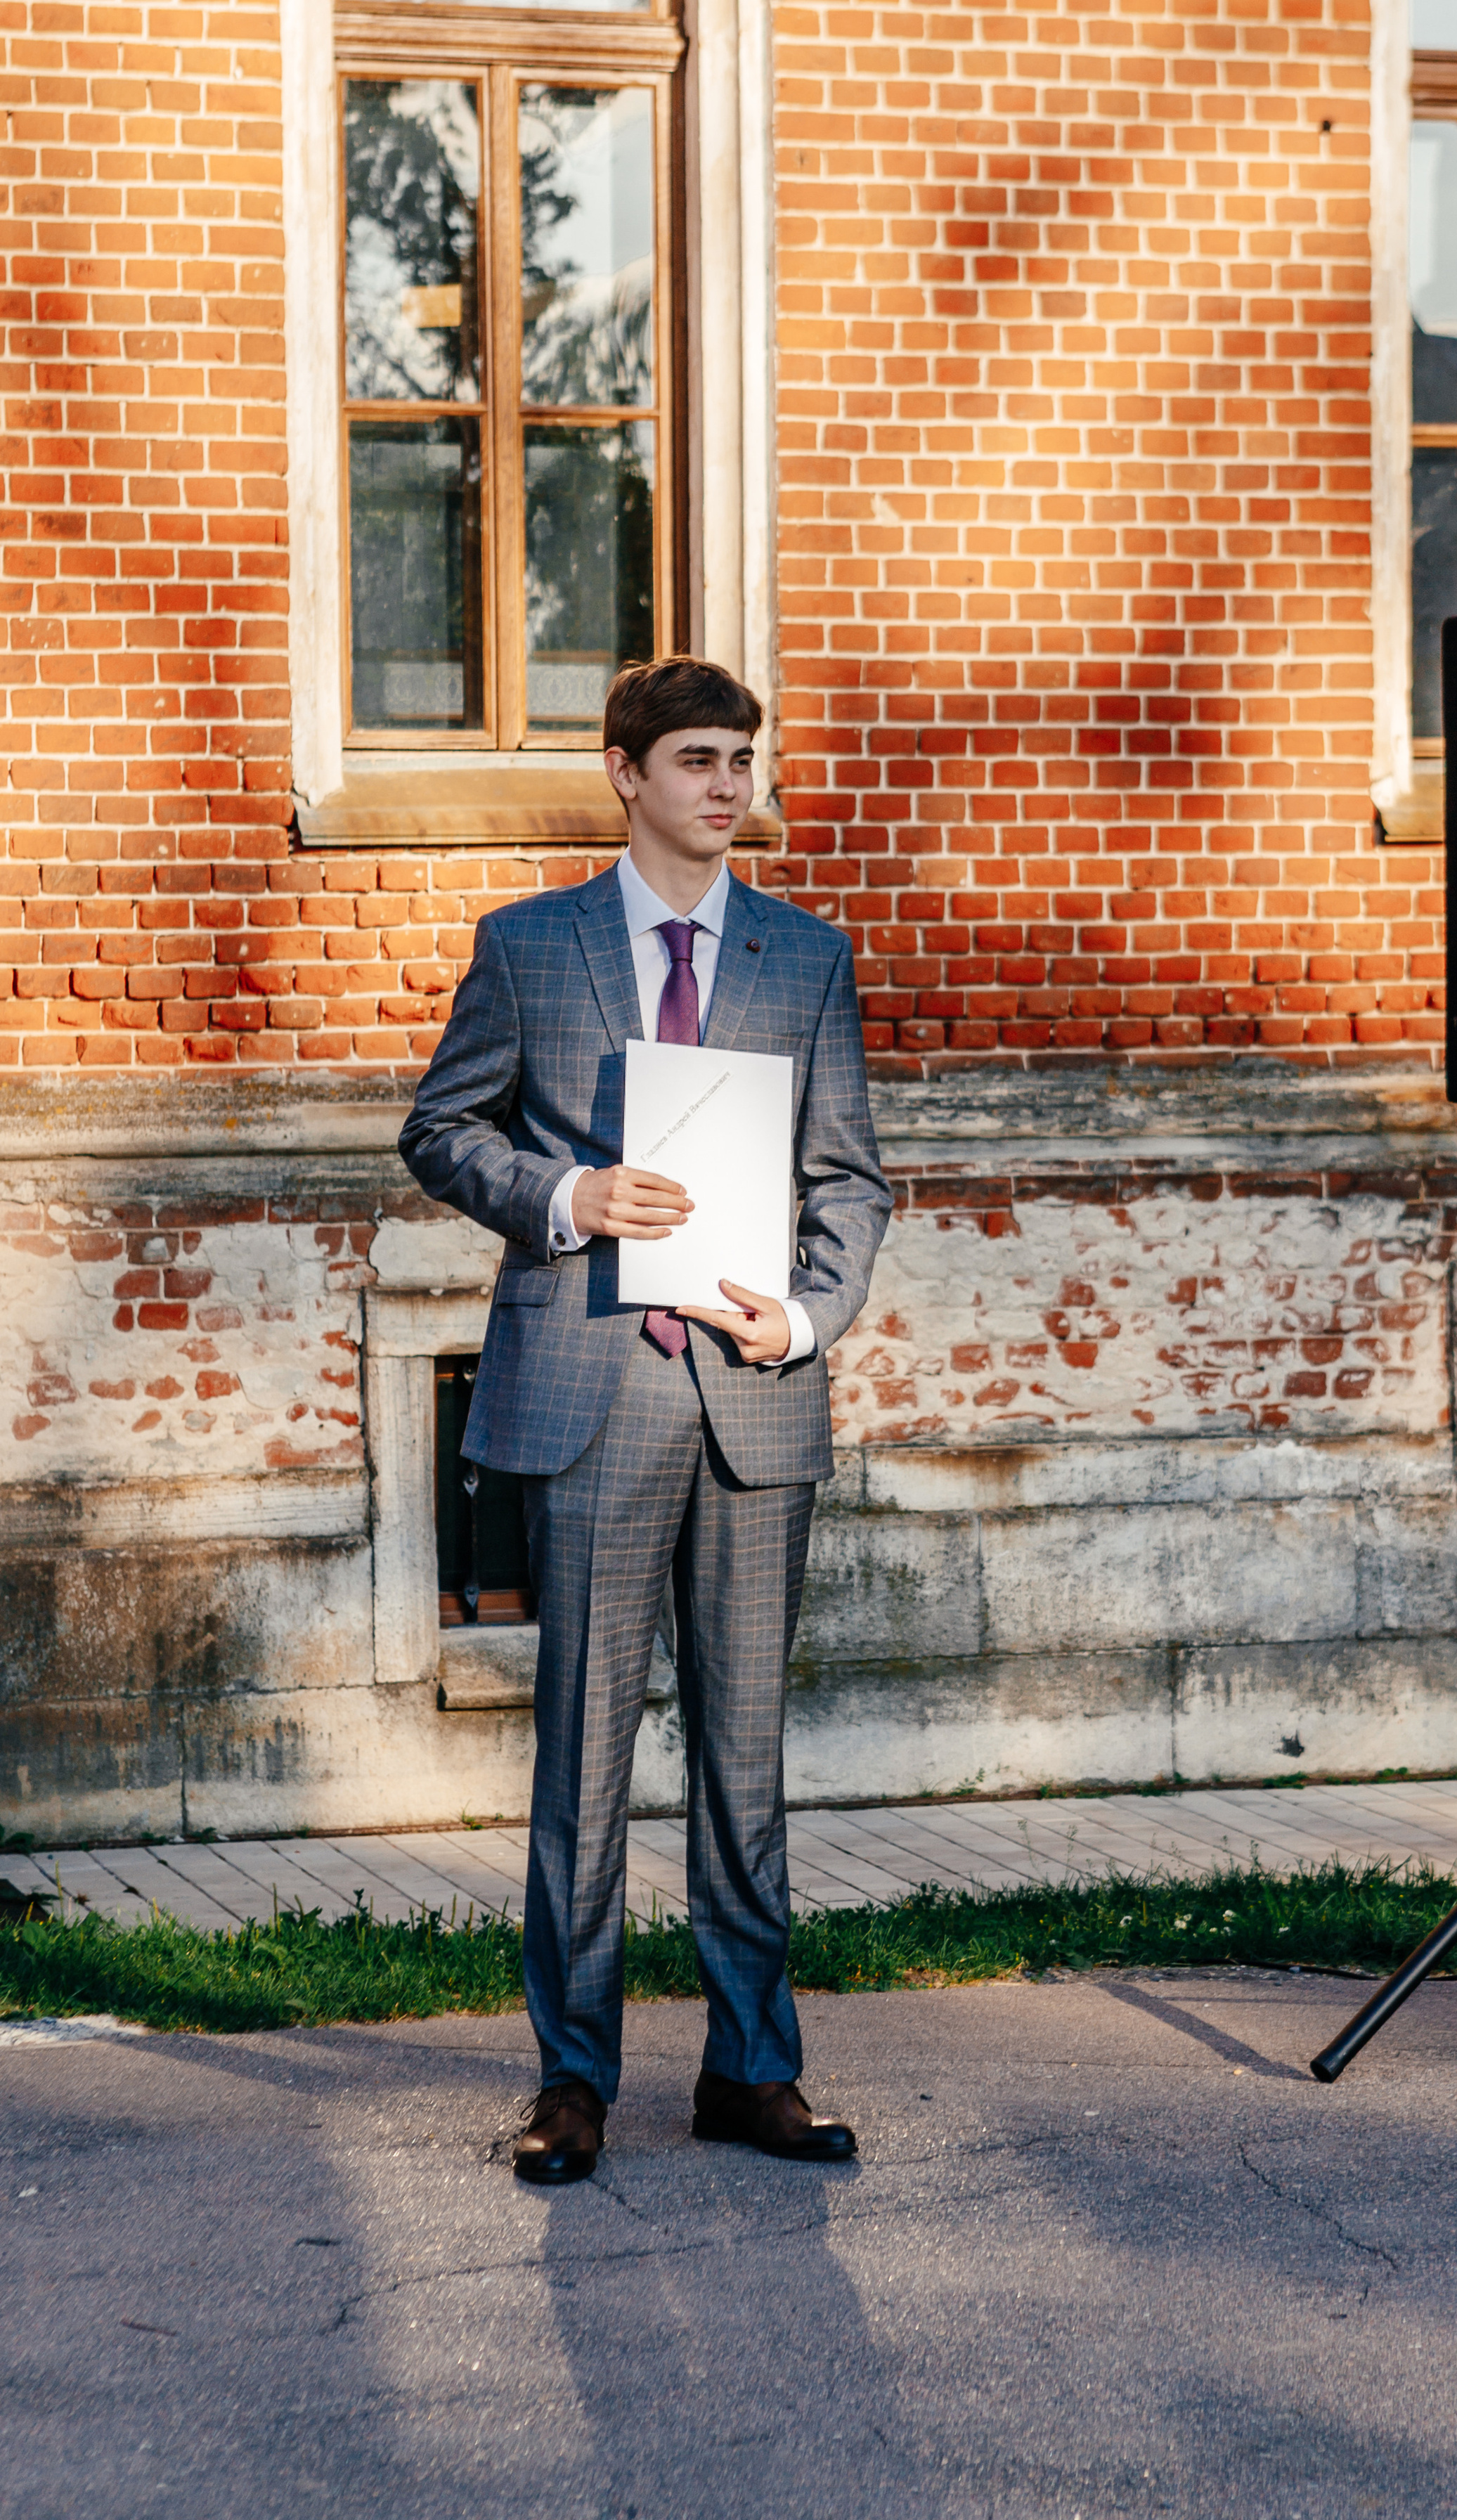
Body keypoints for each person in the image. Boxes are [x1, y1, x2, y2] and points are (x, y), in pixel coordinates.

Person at [400, 657, 892, 2183]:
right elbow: (439, 1127)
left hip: (751, 1390)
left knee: (746, 1760)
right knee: (582, 1761)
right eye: (695, 757)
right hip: (592, 1388)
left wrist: (803, 1312)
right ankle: (573, 2081)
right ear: (624, 772)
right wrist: (566, 1195)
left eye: (742, 757)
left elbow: (850, 1178)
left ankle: (752, 2070)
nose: (727, 783)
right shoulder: (531, 948)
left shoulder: (804, 957)